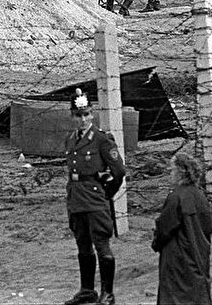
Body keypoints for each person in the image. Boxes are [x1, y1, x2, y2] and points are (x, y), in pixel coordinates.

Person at [64, 89, 126, 305]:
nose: (82, 120)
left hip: (95, 200)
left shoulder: (101, 139)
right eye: (78, 115)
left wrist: (108, 193)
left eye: (86, 114)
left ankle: (107, 293)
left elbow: (118, 170)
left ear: (92, 115)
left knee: (102, 245)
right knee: (82, 245)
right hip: (76, 199)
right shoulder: (70, 140)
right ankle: (87, 289)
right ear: (72, 117)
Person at [151, 152, 212, 305]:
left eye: (173, 170)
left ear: (180, 172)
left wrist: (156, 242)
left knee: (175, 295)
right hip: (197, 253)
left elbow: (164, 227)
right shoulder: (200, 196)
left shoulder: (176, 197)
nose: (171, 174)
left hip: (177, 257)